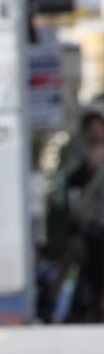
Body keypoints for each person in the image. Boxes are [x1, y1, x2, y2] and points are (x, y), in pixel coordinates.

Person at [67, 110, 104, 320]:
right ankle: (97, 309)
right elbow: (71, 180)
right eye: (92, 128)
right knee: (95, 269)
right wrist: (89, 164)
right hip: (93, 221)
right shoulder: (80, 149)